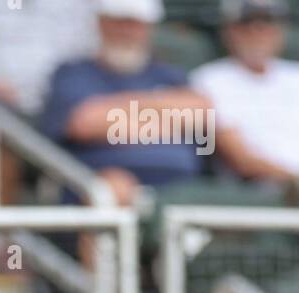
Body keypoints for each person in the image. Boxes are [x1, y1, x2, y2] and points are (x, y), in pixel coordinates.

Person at [40, 0, 212, 206]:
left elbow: (202, 112)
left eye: (135, 24)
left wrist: (118, 110)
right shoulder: (74, 73)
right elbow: (85, 123)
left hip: (180, 184)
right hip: (97, 183)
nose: (126, 31)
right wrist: (164, 118)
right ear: (101, 24)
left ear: (149, 28)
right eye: (119, 22)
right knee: (111, 190)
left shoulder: (168, 75)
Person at [191, 0, 299, 184]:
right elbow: (240, 160)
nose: (257, 32)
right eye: (247, 24)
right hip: (261, 191)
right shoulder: (209, 79)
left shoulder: (294, 75)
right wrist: (293, 179)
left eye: (268, 23)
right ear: (229, 31)